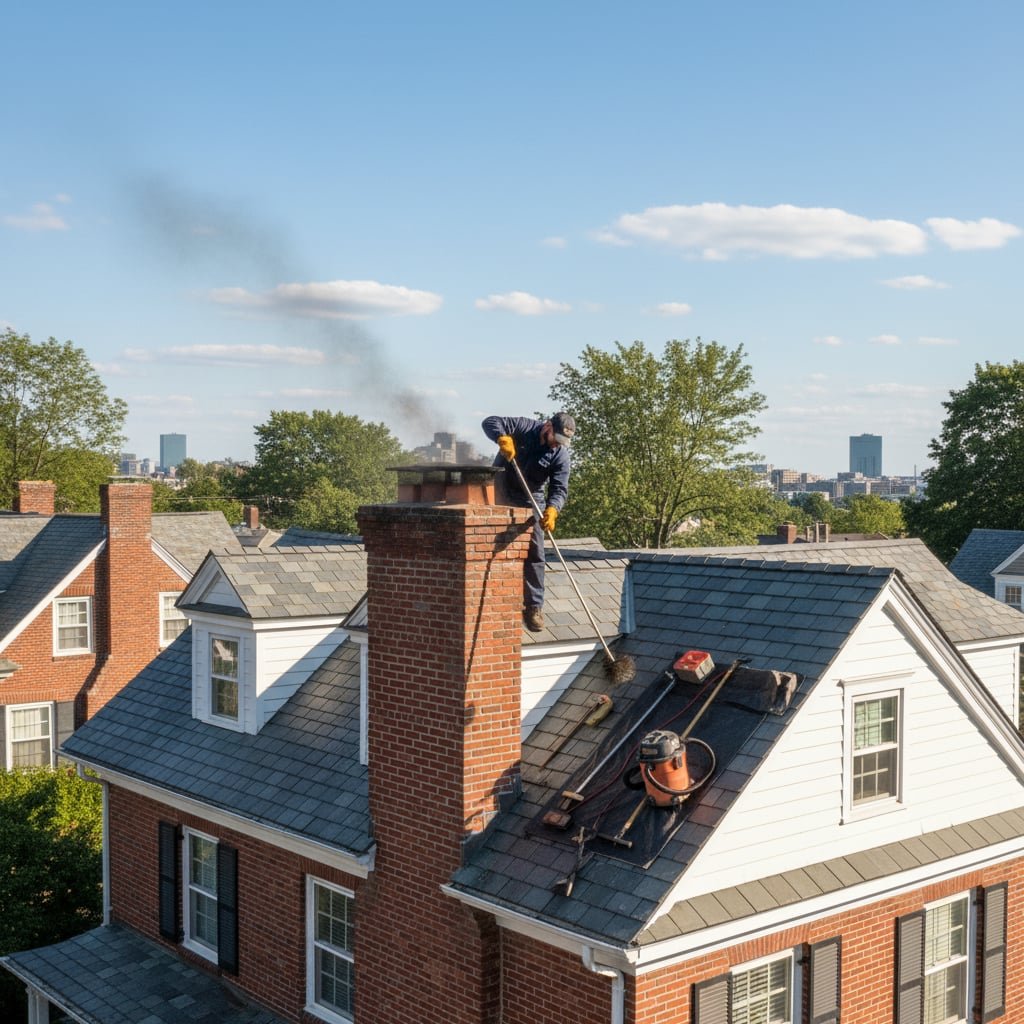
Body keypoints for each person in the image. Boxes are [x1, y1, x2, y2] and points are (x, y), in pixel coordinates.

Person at [481, 412, 575, 632]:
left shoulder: (560, 454)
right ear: (548, 427)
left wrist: (553, 510)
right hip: (499, 487)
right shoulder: (524, 427)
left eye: (562, 441)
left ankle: (533, 607)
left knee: (536, 551)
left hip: (530, 497)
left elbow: (559, 488)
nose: (557, 444)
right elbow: (490, 422)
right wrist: (502, 438)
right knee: (489, 537)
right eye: (556, 438)